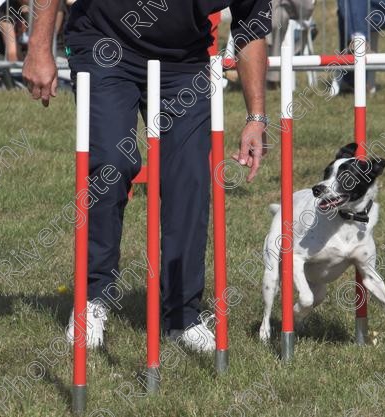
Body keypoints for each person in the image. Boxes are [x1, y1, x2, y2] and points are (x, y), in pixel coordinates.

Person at [22, 0, 271, 353]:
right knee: (112, 162)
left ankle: (182, 316)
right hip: (104, 43)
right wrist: (38, 47)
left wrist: (256, 118)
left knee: (190, 179)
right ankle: (93, 299)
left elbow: (251, 28)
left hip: (183, 60)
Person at [266, 0, 315, 87]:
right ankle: (273, 77)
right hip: (280, 9)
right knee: (280, 17)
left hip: (300, 6)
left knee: (275, 13)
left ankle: (266, 40)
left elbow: (308, 8)